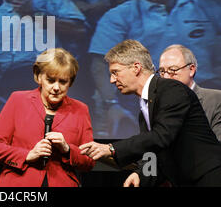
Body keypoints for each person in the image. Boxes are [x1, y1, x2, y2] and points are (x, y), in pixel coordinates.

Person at [89, 0, 221, 137]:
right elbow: (100, 66)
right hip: (145, 101)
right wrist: (112, 105)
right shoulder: (118, 16)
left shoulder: (208, 5)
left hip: (203, 95)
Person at [80, 40, 221, 187]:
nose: (111, 80)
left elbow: (161, 136)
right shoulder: (146, 105)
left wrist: (111, 148)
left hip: (209, 178)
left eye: (115, 72)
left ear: (136, 67)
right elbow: (155, 151)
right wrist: (140, 175)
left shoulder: (171, 88)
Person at [0, 48, 95, 187]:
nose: (56, 87)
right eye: (50, 80)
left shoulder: (80, 110)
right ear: (38, 77)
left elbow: (89, 161)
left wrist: (67, 149)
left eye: (63, 82)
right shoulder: (18, 100)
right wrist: (27, 155)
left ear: (70, 82)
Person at [159, 44, 221, 141]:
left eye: (172, 70)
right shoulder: (158, 107)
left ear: (191, 70)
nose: (166, 77)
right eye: (162, 71)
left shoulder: (216, 100)